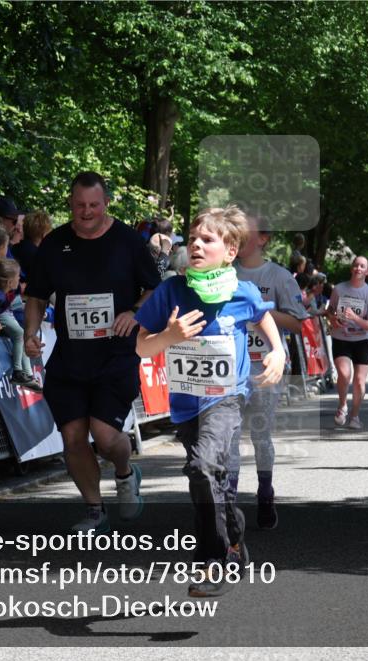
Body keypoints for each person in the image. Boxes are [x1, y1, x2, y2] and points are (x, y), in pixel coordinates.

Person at [135, 205, 285, 597]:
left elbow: (263, 317)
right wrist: (169, 337)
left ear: (230, 251)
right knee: (211, 478)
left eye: (207, 240)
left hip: (227, 399)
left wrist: (278, 351)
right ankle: (234, 538)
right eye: (193, 239)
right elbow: (141, 346)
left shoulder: (241, 291)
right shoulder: (172, 291)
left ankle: (211, 562)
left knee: (202, 467)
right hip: (186, 404)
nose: (196, 246)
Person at [23, 171, 160, 533]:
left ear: (106, 203)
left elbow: (154, 289)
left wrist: (134, 312)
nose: (86, 212)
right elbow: (36, 295)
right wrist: (30, 333)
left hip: (115, 356)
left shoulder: (128, 241)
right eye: (80, 205)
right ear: (70, 203)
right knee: (72, 437)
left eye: (94, 205)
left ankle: (125, 471)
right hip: (70, 358)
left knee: (104, 435)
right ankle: (94, 509)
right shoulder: (54, 243)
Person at [233, 213, 309, 529]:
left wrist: (259, 311)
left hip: (266, 366)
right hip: (231, 367)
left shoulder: (279, 276)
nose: (238, 236)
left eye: (246, 232)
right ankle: (228, 501)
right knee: (229, 433)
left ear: (263, 239)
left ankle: (265, 491)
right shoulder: (224, 272)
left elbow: (298, 323)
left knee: (260, 435)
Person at [327, 256, 368, 430]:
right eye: (356, 265)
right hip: (341, 338)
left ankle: (355, 416)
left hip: (362, 340)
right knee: (344, 373)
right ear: (351, 268)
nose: (358, 268)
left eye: (362, 266)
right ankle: (342, 405)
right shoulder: (339, 289)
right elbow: (330, 311)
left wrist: (355, 318)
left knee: (359, 381)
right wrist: (333, 319)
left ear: (367, 271)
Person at [0, 257, 42, 391]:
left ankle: (27, 375)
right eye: (18, 276)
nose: (20, 279)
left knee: (21, 335)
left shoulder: (7, 293)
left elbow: (15, 305)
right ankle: (18, 372)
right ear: (9, 282)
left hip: (3, 316)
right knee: (20, 334)